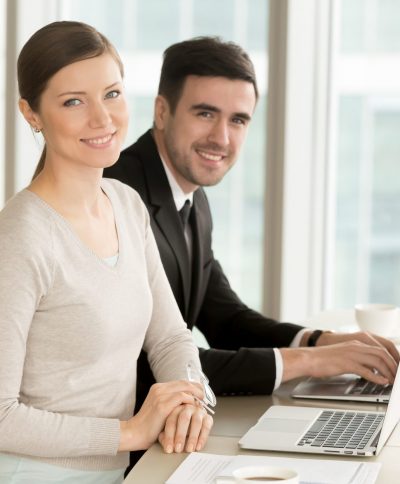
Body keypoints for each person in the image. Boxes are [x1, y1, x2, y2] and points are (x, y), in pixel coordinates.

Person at [104, 36, 399, 403]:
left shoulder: (191, 197)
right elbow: (147, 364)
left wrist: (320, 340)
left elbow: (226, 319)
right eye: (206, 113)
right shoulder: (115, 196)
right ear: (162, 111)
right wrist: (308, 360)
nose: (221, 138)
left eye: (239, 120)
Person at [0, 22, 212, 484]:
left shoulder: (126, 204)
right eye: (74, 101)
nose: (103, 119)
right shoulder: (22, 236)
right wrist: (131, 431)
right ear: (31, 114)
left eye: (112, 94)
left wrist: (193, 399)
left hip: (120, 473)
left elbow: (171, 338)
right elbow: (0, 415)